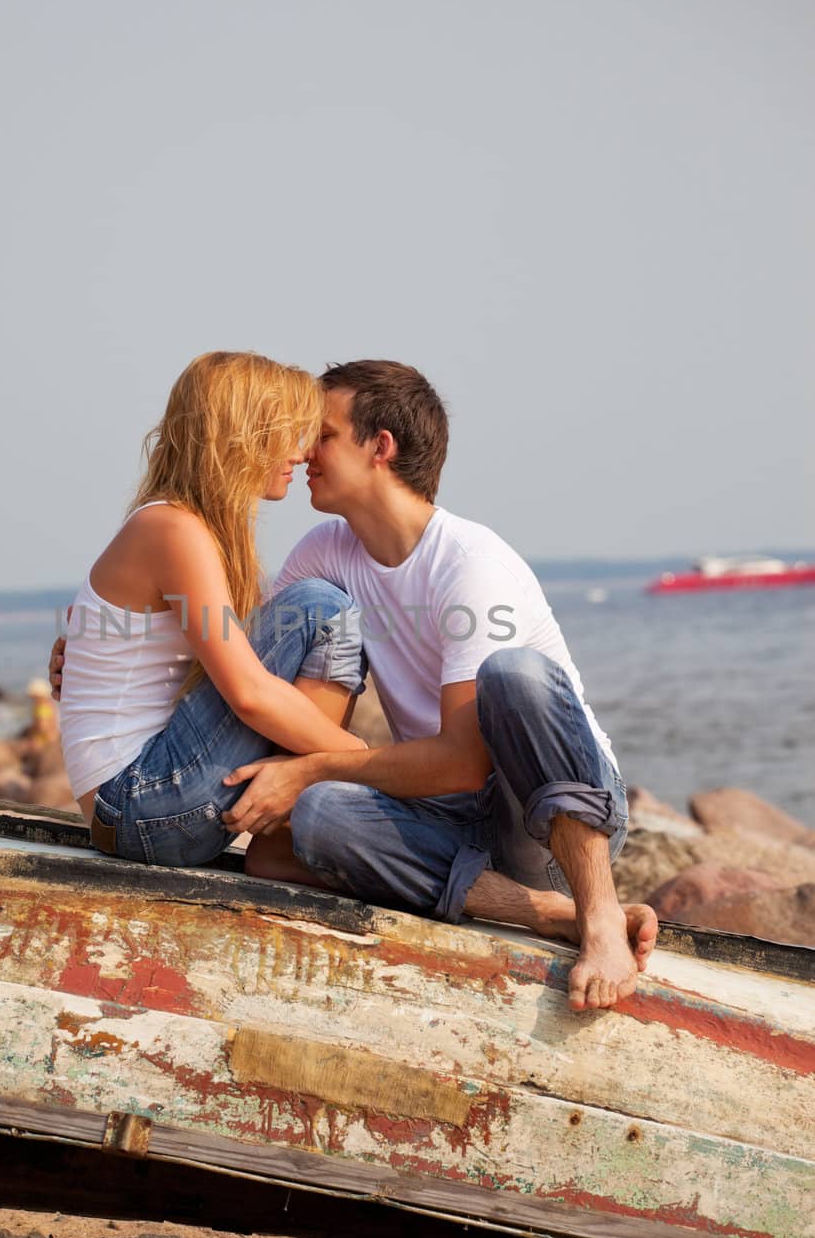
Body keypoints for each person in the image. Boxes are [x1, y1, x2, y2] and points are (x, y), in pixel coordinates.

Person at [54, 358, 656, 1012]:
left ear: (381, 447)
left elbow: (459, 762)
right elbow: (244, 663)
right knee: (316, 803)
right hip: (446, 821)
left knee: (512, 675)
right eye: (295, 431)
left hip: (552, 825)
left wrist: (316, 766)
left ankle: (597, 914)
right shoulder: (319, 552)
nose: (304, 448)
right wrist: (100, 645)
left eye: (323, 433)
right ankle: (538, 909)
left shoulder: (470, 563)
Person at [57, 350, 369, 879]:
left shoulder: (179, 527)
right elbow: (248, 693)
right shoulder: (173, 530)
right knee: (320, 607)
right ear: (242, 436)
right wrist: (368, 763)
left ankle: (299, 806)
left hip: (138, 804)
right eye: (286, 433)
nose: (300, 452)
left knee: (310, 608)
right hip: (139, 803)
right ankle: (312, 805)